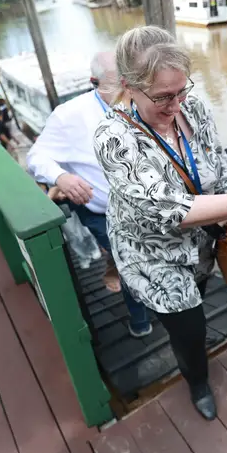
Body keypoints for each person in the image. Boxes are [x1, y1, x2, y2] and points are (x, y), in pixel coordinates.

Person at [93, 26, 227, 420]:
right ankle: (198, 382)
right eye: (162, 96)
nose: (175, 104)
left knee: (199, 297)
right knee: (187, 328)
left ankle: (193, 345)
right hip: (153, 252)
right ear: (128, 86)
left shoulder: (193, 108)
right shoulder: (113, 136)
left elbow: (220, 163)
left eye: (181, 91)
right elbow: (165, 208)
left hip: (203, 241)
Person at [27, 51, 152, 338]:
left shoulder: (142, 101)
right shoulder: (69, 116)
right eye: (118, 83)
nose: (127, 89)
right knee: (130, 262)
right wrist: (61, 177)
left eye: (131, 81)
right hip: (102, 211)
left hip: (145, 204)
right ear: (95, 82)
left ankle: (149, 292)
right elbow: (36, 157)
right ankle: (140, 320)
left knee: (149, 256)